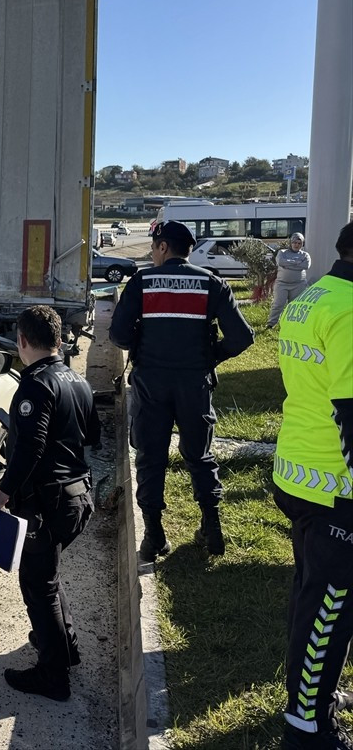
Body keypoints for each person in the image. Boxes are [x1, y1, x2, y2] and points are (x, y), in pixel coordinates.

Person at [109, 220, 254, 561]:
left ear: (162, 247)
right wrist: (208, 358)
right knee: (201, 456)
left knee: (150, 456)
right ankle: (212, 528)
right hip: (194, 383)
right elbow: (242, 337)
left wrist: (142, 348)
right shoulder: (212, 283)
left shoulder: (142, 282)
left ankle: (154, 537)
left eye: (153, 247)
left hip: (150, 384)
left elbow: (117, 334)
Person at [0, 306, 98, 701]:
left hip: (48, 503)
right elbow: (91, 433)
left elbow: (30, 448)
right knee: (47, 576)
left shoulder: (34, 385)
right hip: (79, 495)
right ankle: (67, 649)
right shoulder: (76, 379)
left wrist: (0, 494)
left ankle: (53, 675)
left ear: (22, 341)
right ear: (59, 339)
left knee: (37, 583)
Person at [274, 222, 353, 750]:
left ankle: (312, 693)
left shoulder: (314, 296)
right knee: (330, 609)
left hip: (297, 469)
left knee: (314, 597)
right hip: (335, 485)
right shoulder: (350, 310)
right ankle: (306, 723)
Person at [269, 233, 312, 329]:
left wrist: (288, 264)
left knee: (295, 306)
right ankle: (271, 323)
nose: (297, 245)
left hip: (299, 285)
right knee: (278, 304)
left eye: (299, 243)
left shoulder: (305, 255)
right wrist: (297, 263)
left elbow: (306, 266)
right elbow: (280, 262)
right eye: (294, 242)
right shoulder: (282, 253)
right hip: (282, 284)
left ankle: (291, 324)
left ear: (302, 244)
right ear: (291, 243)